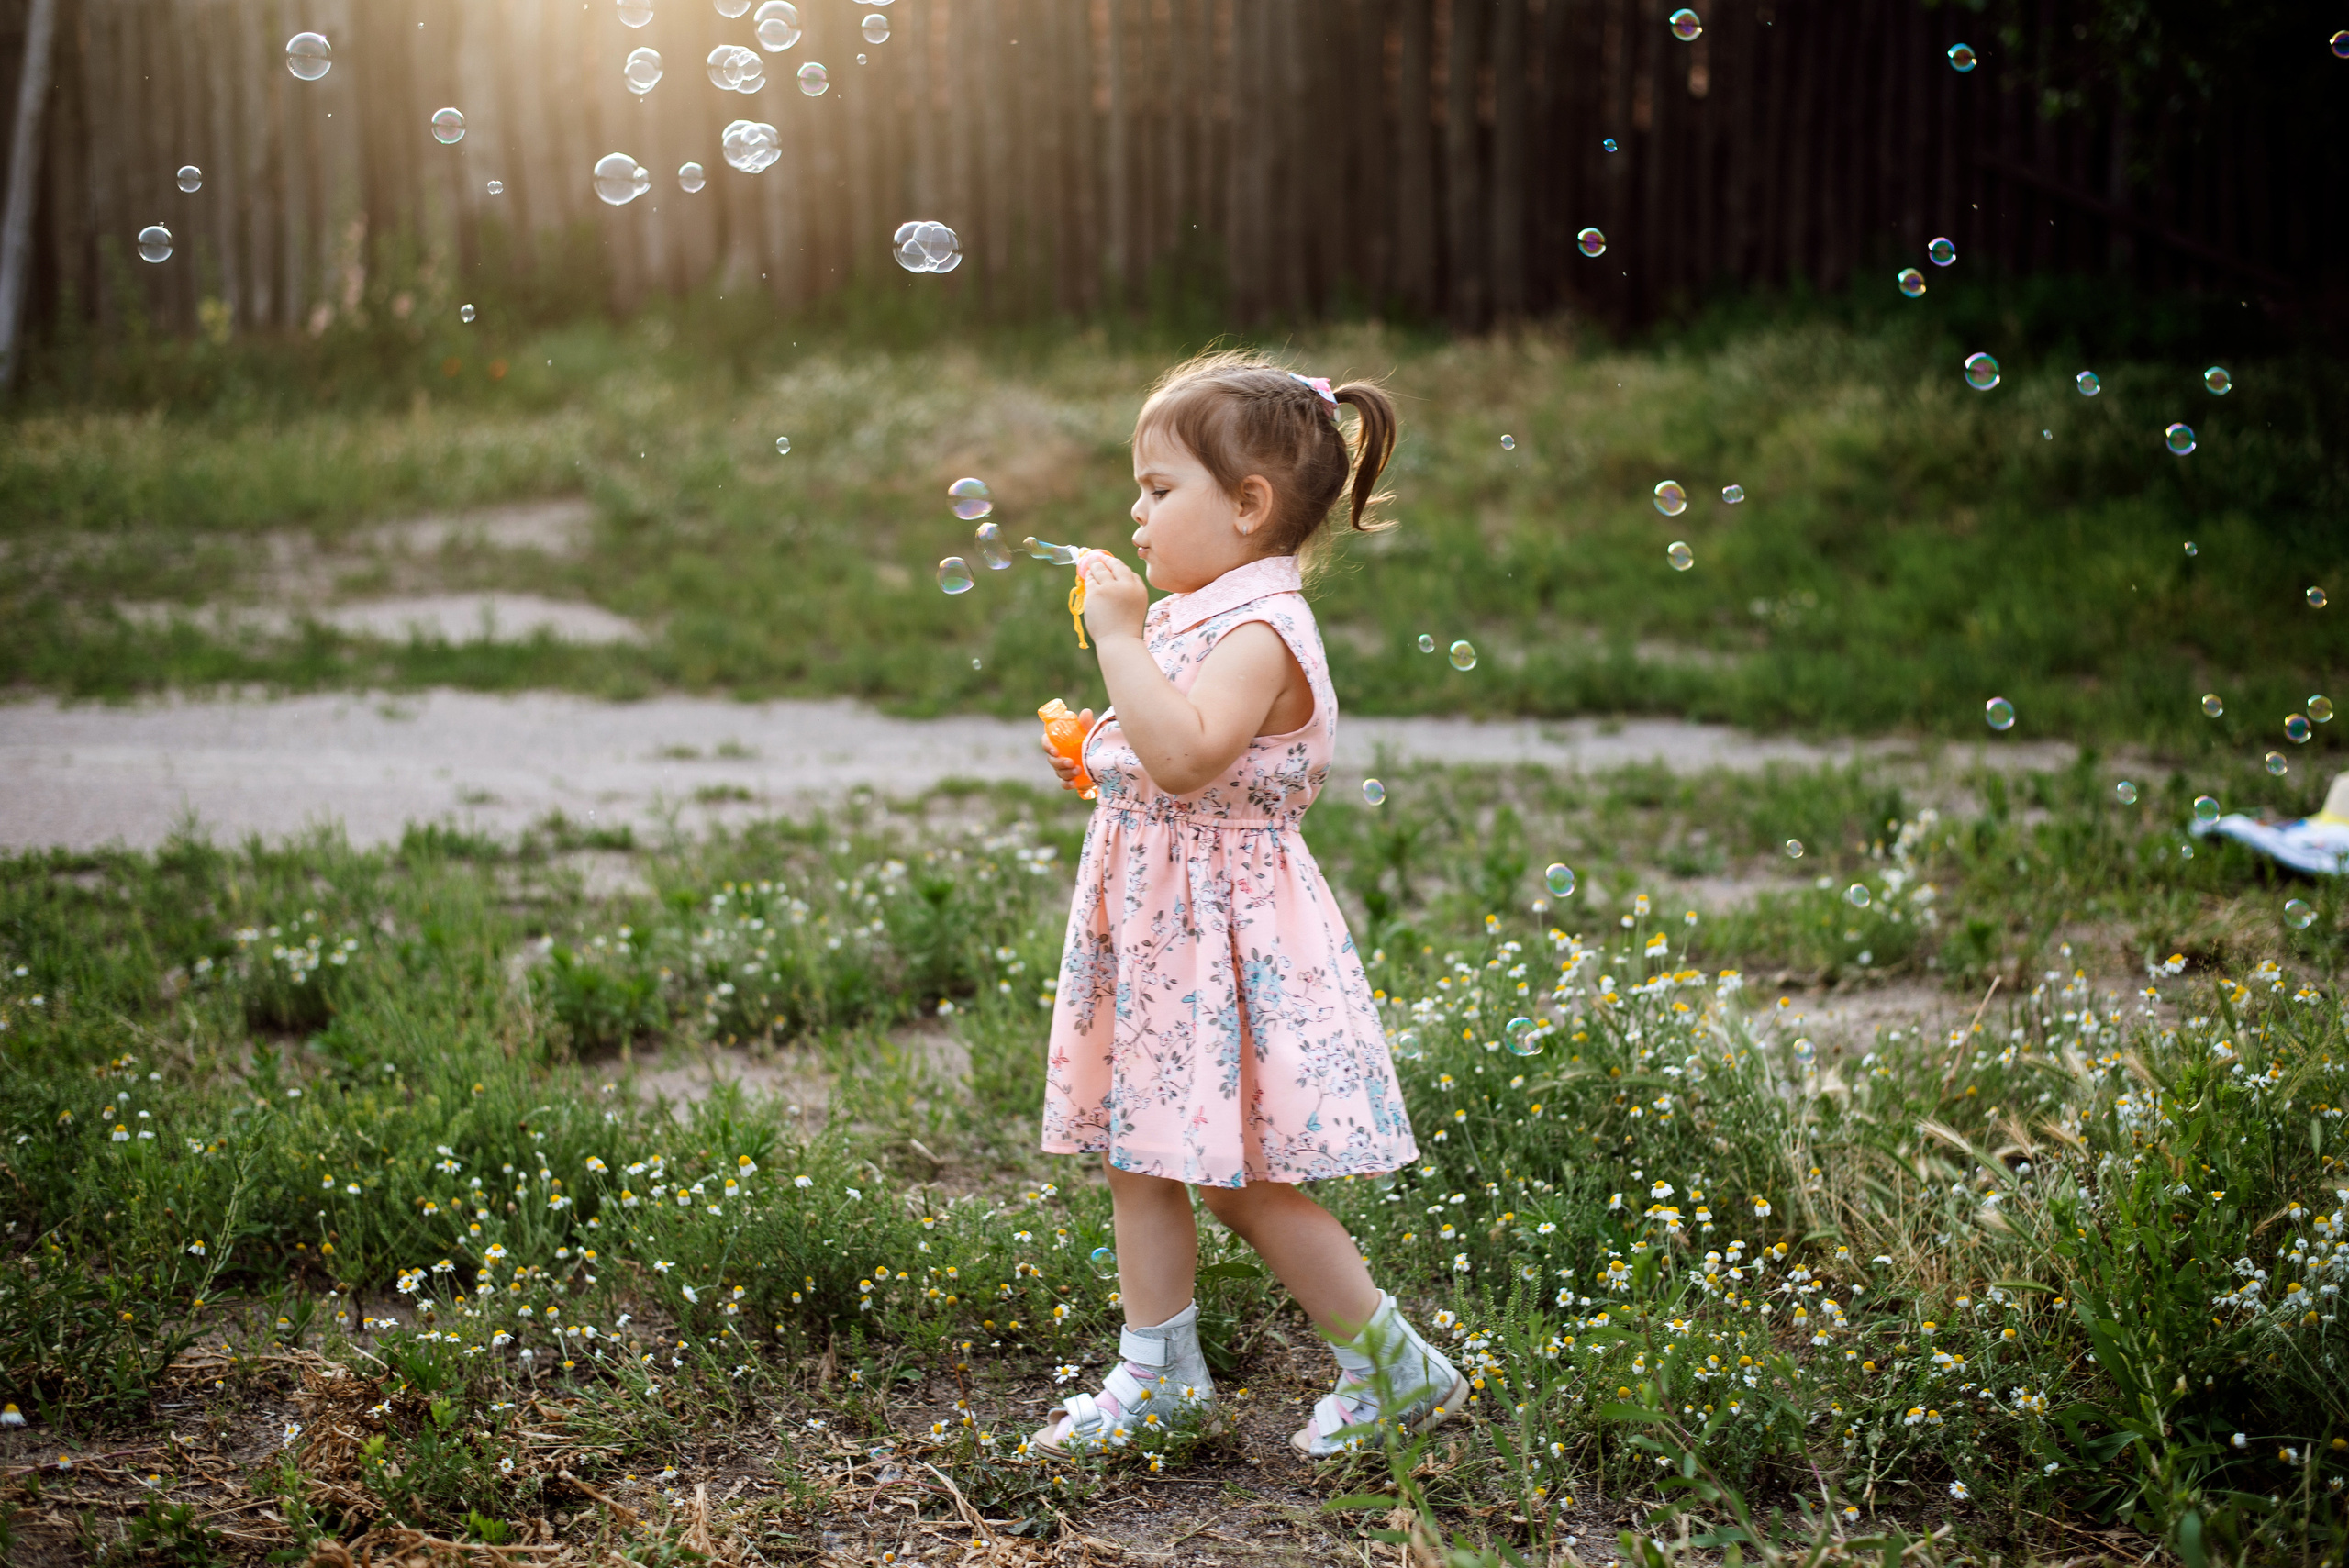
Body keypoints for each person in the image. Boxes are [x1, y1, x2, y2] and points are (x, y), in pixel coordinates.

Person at [1030, 351, 1463, 1458]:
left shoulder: (1260, 629)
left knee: (1244, 1181)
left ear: (1248, 504)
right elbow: (1161, 754)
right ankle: (1156, 1369)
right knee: (1141, 1148)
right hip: (1166, 919)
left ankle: (1394, 1365)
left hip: (1218, 937)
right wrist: (1100, 755)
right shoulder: (1207, 609)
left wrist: (1120, 641)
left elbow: (1188, 757)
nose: (1133, 511)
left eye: (1158, 488)